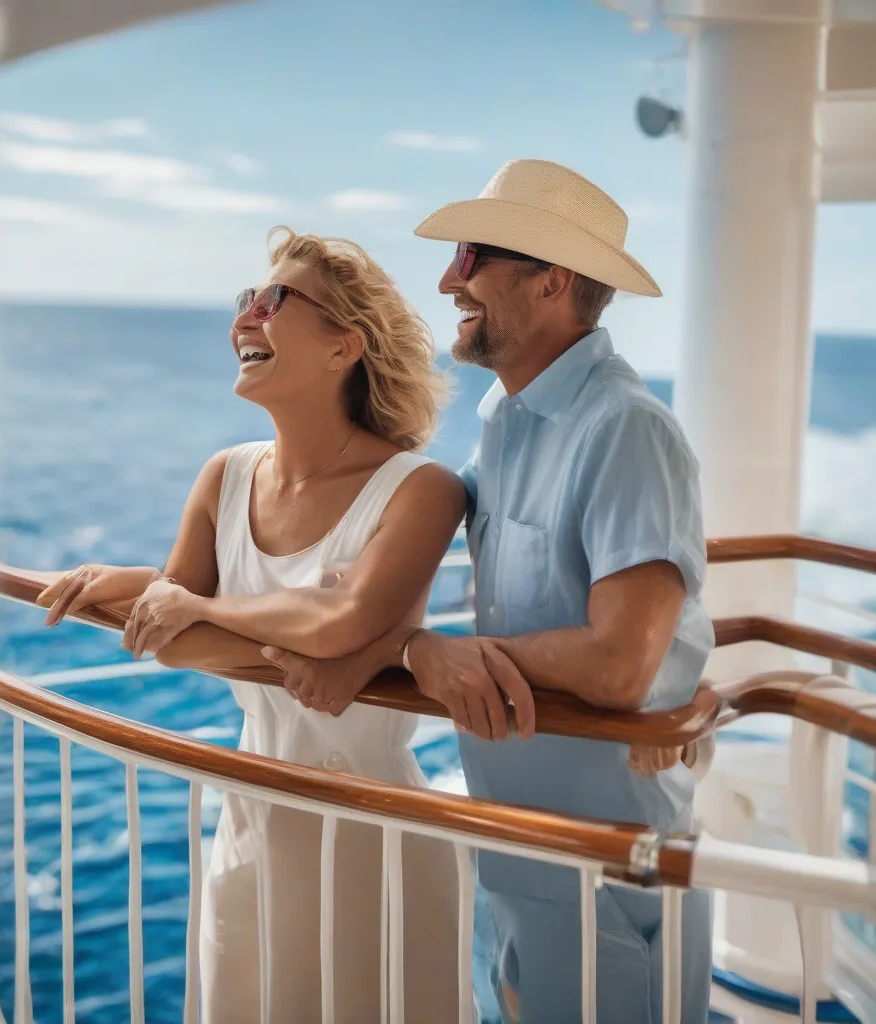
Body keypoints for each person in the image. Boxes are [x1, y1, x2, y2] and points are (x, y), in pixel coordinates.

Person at [257, 161, 716, 1023]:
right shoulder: (506, 424)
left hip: (605, 864)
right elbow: (413, 548)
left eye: (470, 257)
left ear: (551, 282)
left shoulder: (626, 431)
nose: (447, 280)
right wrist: (397, 645)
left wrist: (434, 654)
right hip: (516, 845)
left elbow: (622, 663)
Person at [34, 226, 513, 1023]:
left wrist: (201, 607)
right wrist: (149, 588)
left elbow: (342, 617)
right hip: (252, 828)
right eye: (245, 301)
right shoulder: (224, 476)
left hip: (378, 845)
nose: (245, 319)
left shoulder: (422, 491)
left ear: (341, 348)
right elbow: (175, 635)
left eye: (273, 301)